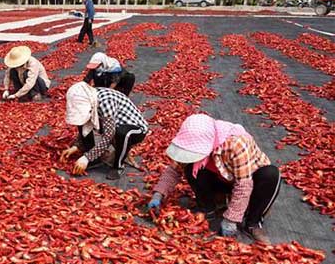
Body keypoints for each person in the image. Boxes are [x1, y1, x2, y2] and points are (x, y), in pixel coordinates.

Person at [147, 114, 279, 244]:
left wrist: (231, 220)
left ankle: (252, 223)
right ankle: (208, 208)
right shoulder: (191, 138)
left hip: (249, 181)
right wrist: (158, 194)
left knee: (270, 174)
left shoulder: (236, 144)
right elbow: (174, 169)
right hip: (222, 179)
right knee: (190, 166)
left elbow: (243, 186)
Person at [60, 81, 148, 180]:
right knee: (82, 122)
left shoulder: (106, 101)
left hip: (135, 129)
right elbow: (86, 124)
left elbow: (108, 136)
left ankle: (118, 166)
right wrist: (76, 146)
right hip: (113, 125)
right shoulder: (91, 98)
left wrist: (86, 158)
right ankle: (94, 158)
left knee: (122, 133)